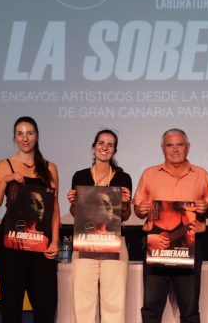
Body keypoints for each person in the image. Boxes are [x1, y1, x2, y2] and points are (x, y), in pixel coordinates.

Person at [134, 128, 208, 323]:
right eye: (169, 145)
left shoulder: (201, 174)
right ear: (162, 149)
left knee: (189, 311)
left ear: (188, 148)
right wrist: (141, 209)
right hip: (156, 246)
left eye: (180, 144)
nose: (175, 149)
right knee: (151, 310)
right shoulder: (149, 174)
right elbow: (138, 209)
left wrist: (205, 208)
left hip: (190, 246)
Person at [0, 116, 60, 323]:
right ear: (14, 137)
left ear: (37, 136)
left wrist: (54, 241)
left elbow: (54, 208)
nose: (25, 138)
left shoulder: (50, 168)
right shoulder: (5, 165)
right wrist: (5, 180)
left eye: (29, 133)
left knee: (46, 304)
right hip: (12, 245)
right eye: (20, 133)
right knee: (11, 304)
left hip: (41, 245)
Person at [66, 129, 133, 323]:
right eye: (101, 143)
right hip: (84, 243)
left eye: (110, 144)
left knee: (114, 303)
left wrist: (127, 204)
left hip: (114, 243)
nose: (105, 147)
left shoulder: (123, 178)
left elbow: (125, 217)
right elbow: (76, 214)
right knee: (83, 303)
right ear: (94, 147)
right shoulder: (80, 176)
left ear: (114, 151)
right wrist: (72, 203)